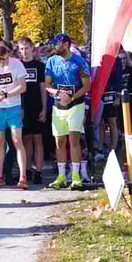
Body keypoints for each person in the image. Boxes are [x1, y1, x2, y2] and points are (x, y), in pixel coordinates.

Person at [44, 33, 91, 190]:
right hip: (58, 106)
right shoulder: (51, 61)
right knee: (59, 141)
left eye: (56, 43)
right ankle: (61, 176)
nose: (54, 46)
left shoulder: (79, 62)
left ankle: (76, 176)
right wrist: (58, 93)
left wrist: (71, 97)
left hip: (76, 105)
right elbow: (47, 85)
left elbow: (87, 86)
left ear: (65, 44)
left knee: (74, 139)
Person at [0, 39, 29, 189]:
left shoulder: (17, 64)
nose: (1, 62)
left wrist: (7, 94)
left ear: (8, 54)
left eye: (4, 59)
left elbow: (23, 86)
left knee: (17, 140)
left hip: (13, 107)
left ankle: (23, 177)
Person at [18, 37, 47, 184]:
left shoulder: (40, 66)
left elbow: (43, 88)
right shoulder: (17, 66)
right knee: (26, 139)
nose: (24, 51)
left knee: (38, 139)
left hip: (36, 106)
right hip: (23, 107)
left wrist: (44, 108)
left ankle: (39, 171)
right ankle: (27, 169)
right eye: (22, 49)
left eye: (27, 48)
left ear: (32, 49)